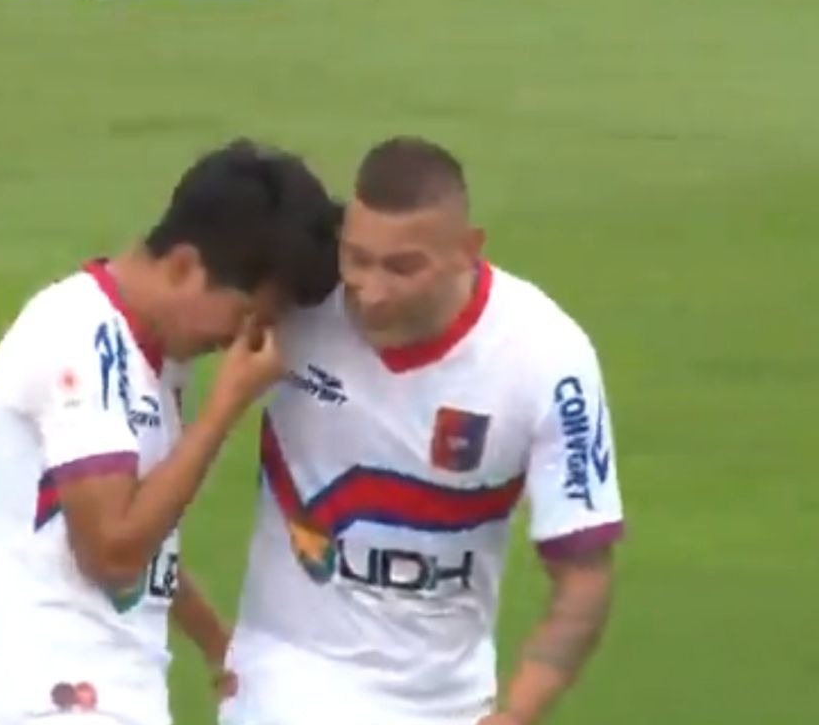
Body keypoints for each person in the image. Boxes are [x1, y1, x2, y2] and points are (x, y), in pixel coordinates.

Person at [220, 137, 625, 725]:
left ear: (467, 250)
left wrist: (517, 712)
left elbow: (583, 574)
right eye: (357, 258)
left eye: (402, 267)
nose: (371, 290)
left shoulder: (545, 359)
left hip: (448, 703)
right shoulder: (300, 301)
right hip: (286, 677)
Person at [0, 139, 343, 725]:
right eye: (246, 314)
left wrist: (217, 643)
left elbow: (141, 543)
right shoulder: (83, 337)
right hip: (62, 703)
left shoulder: (147, 355)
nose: (241, 340)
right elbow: (113, 552)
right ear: (185, 266)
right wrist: (226, 405)